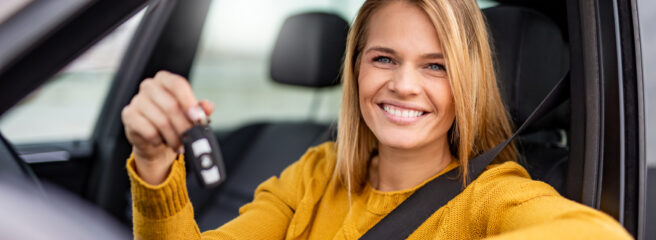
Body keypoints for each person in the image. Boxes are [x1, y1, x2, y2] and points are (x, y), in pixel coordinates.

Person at [121, 0, 633, 239]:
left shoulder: (493, 196)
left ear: (468, 84)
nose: (404, 85)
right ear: (357, 68)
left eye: (437, 66)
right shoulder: (316, 175)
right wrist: (154, 165)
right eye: (384, 59)